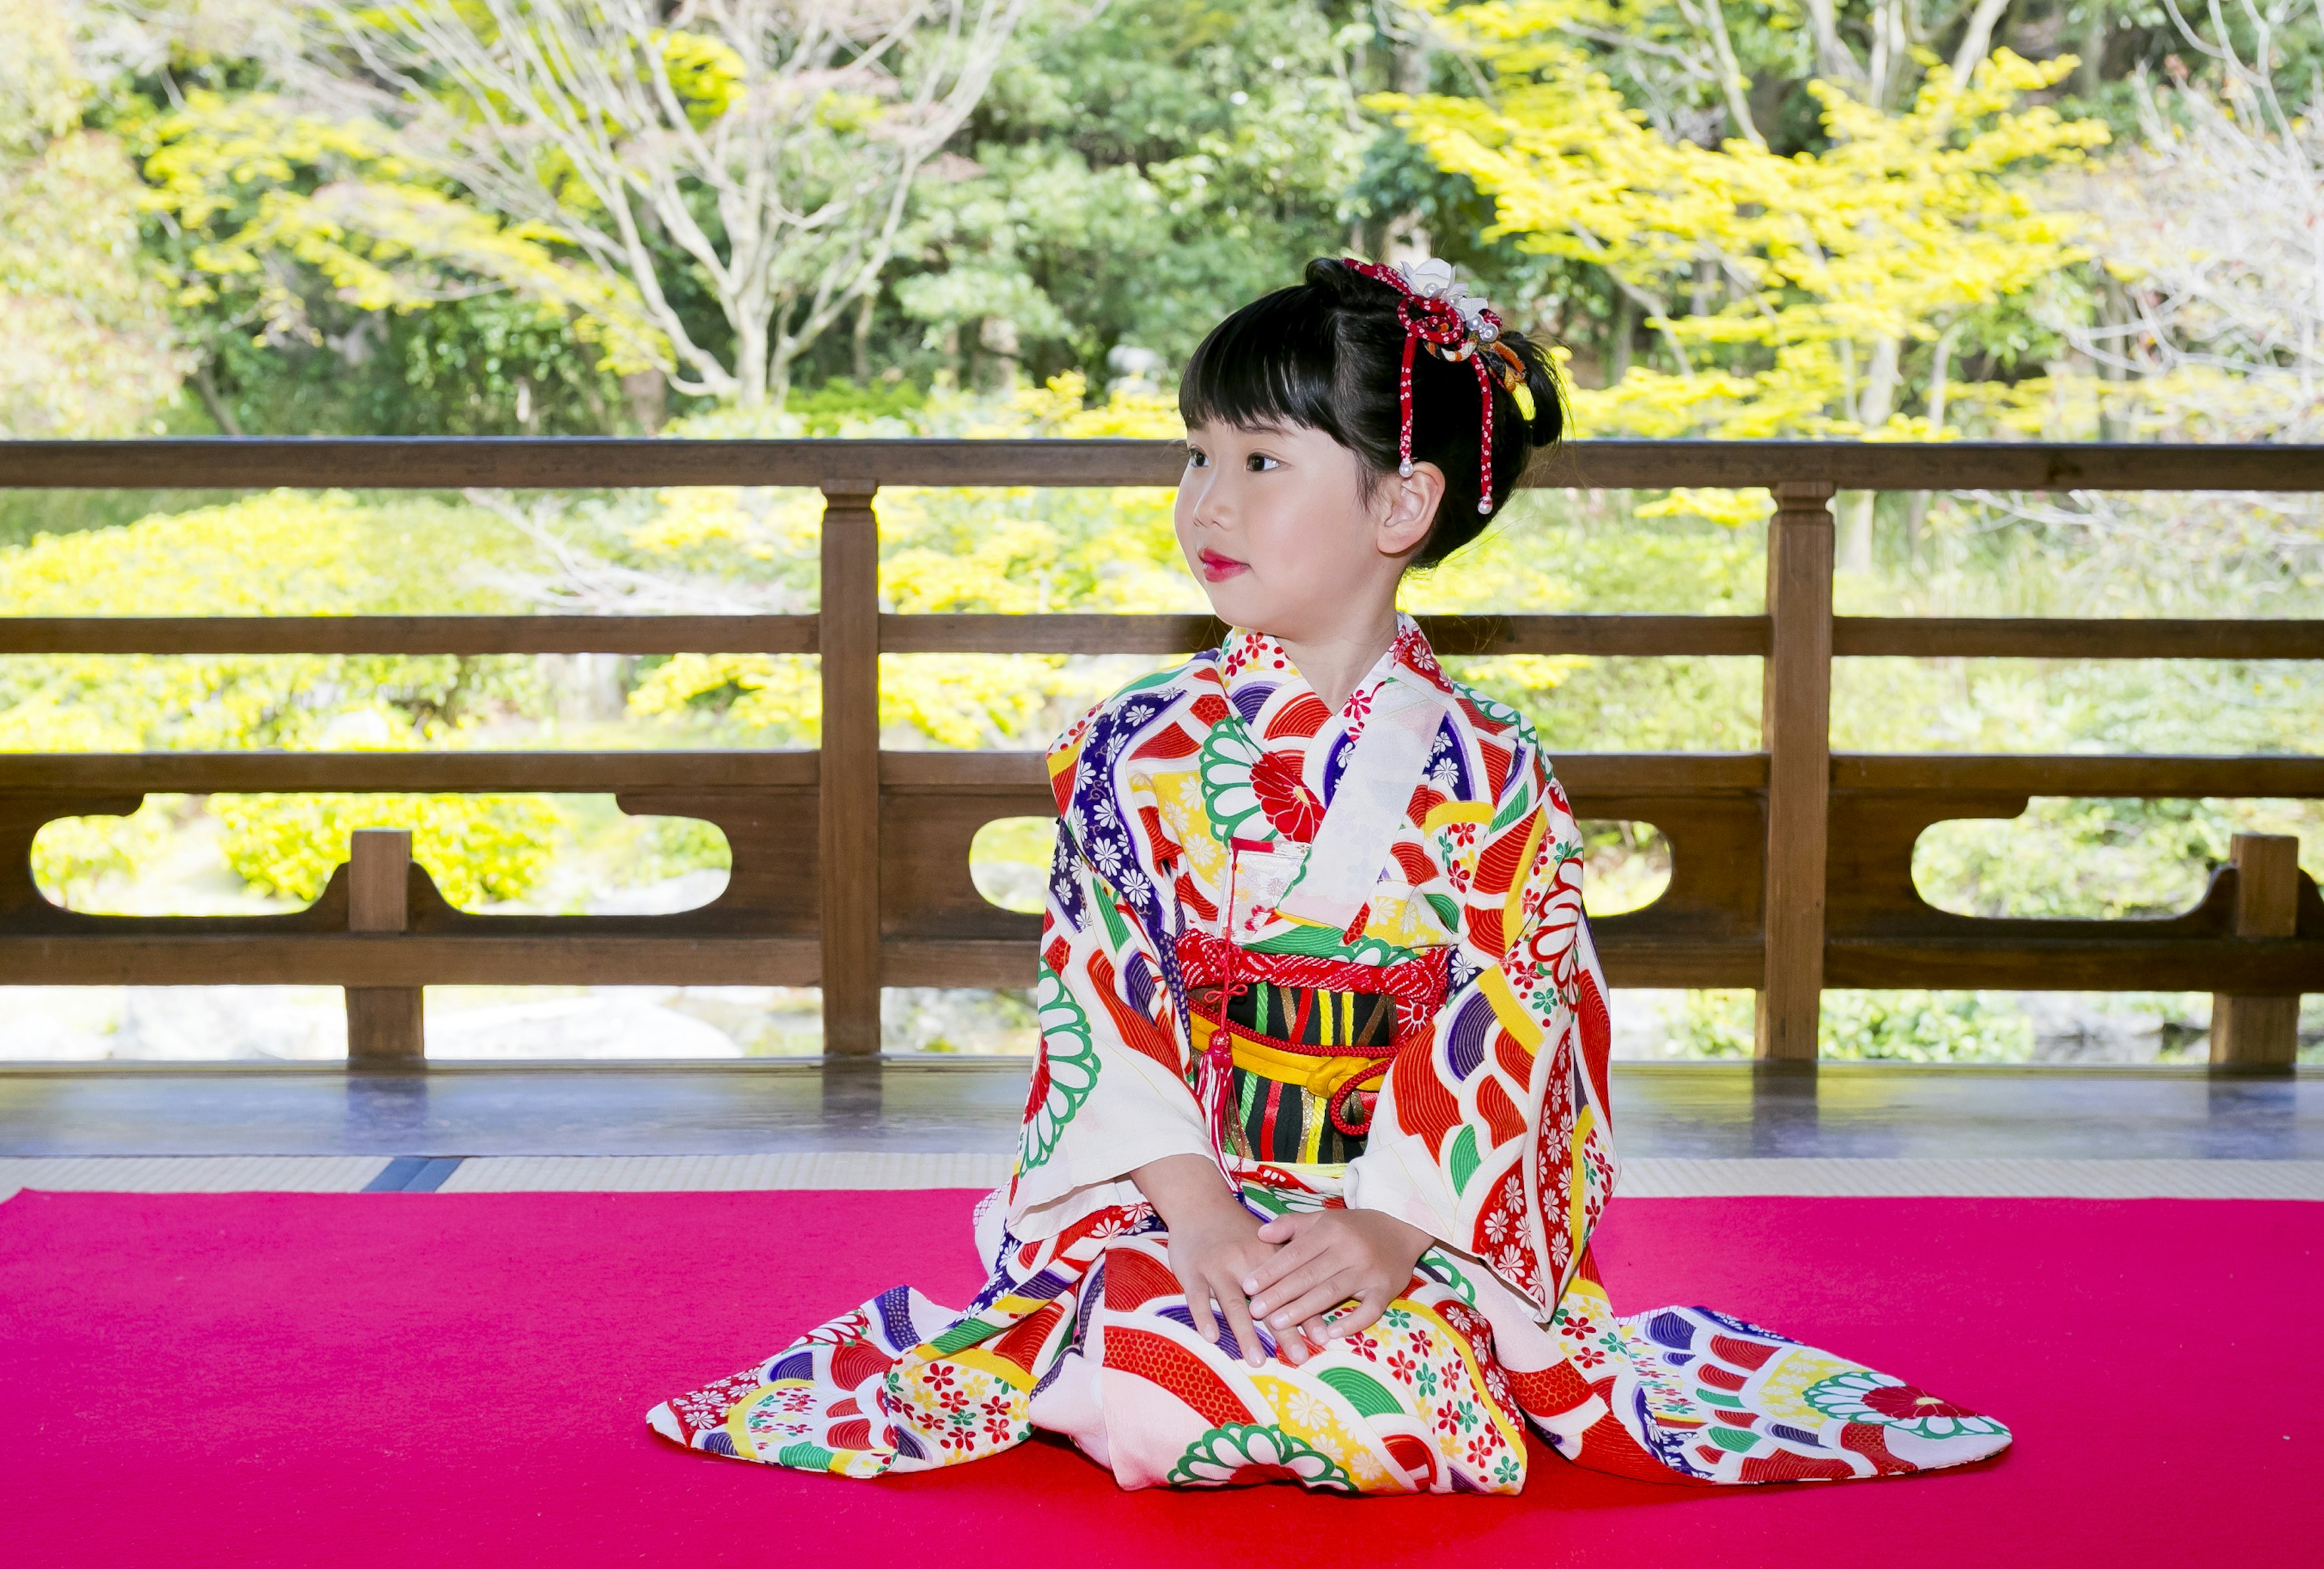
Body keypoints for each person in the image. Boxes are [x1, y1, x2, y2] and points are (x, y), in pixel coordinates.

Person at [648, 257, 2011, 1494]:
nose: (1205, 502)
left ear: (1402, 502)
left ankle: (1332, 1351)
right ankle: (1122, 1350)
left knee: (1428, 1425)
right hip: (1174, 1198)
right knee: (1162, 1379)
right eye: (1194, 457)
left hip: (1394, 1218)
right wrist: (1198, 1213)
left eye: (1259, 459)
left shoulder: (1492, 768)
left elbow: (1518, 1016)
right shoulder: (1131, 748)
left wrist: (1387, 1232)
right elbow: (1098, 996)